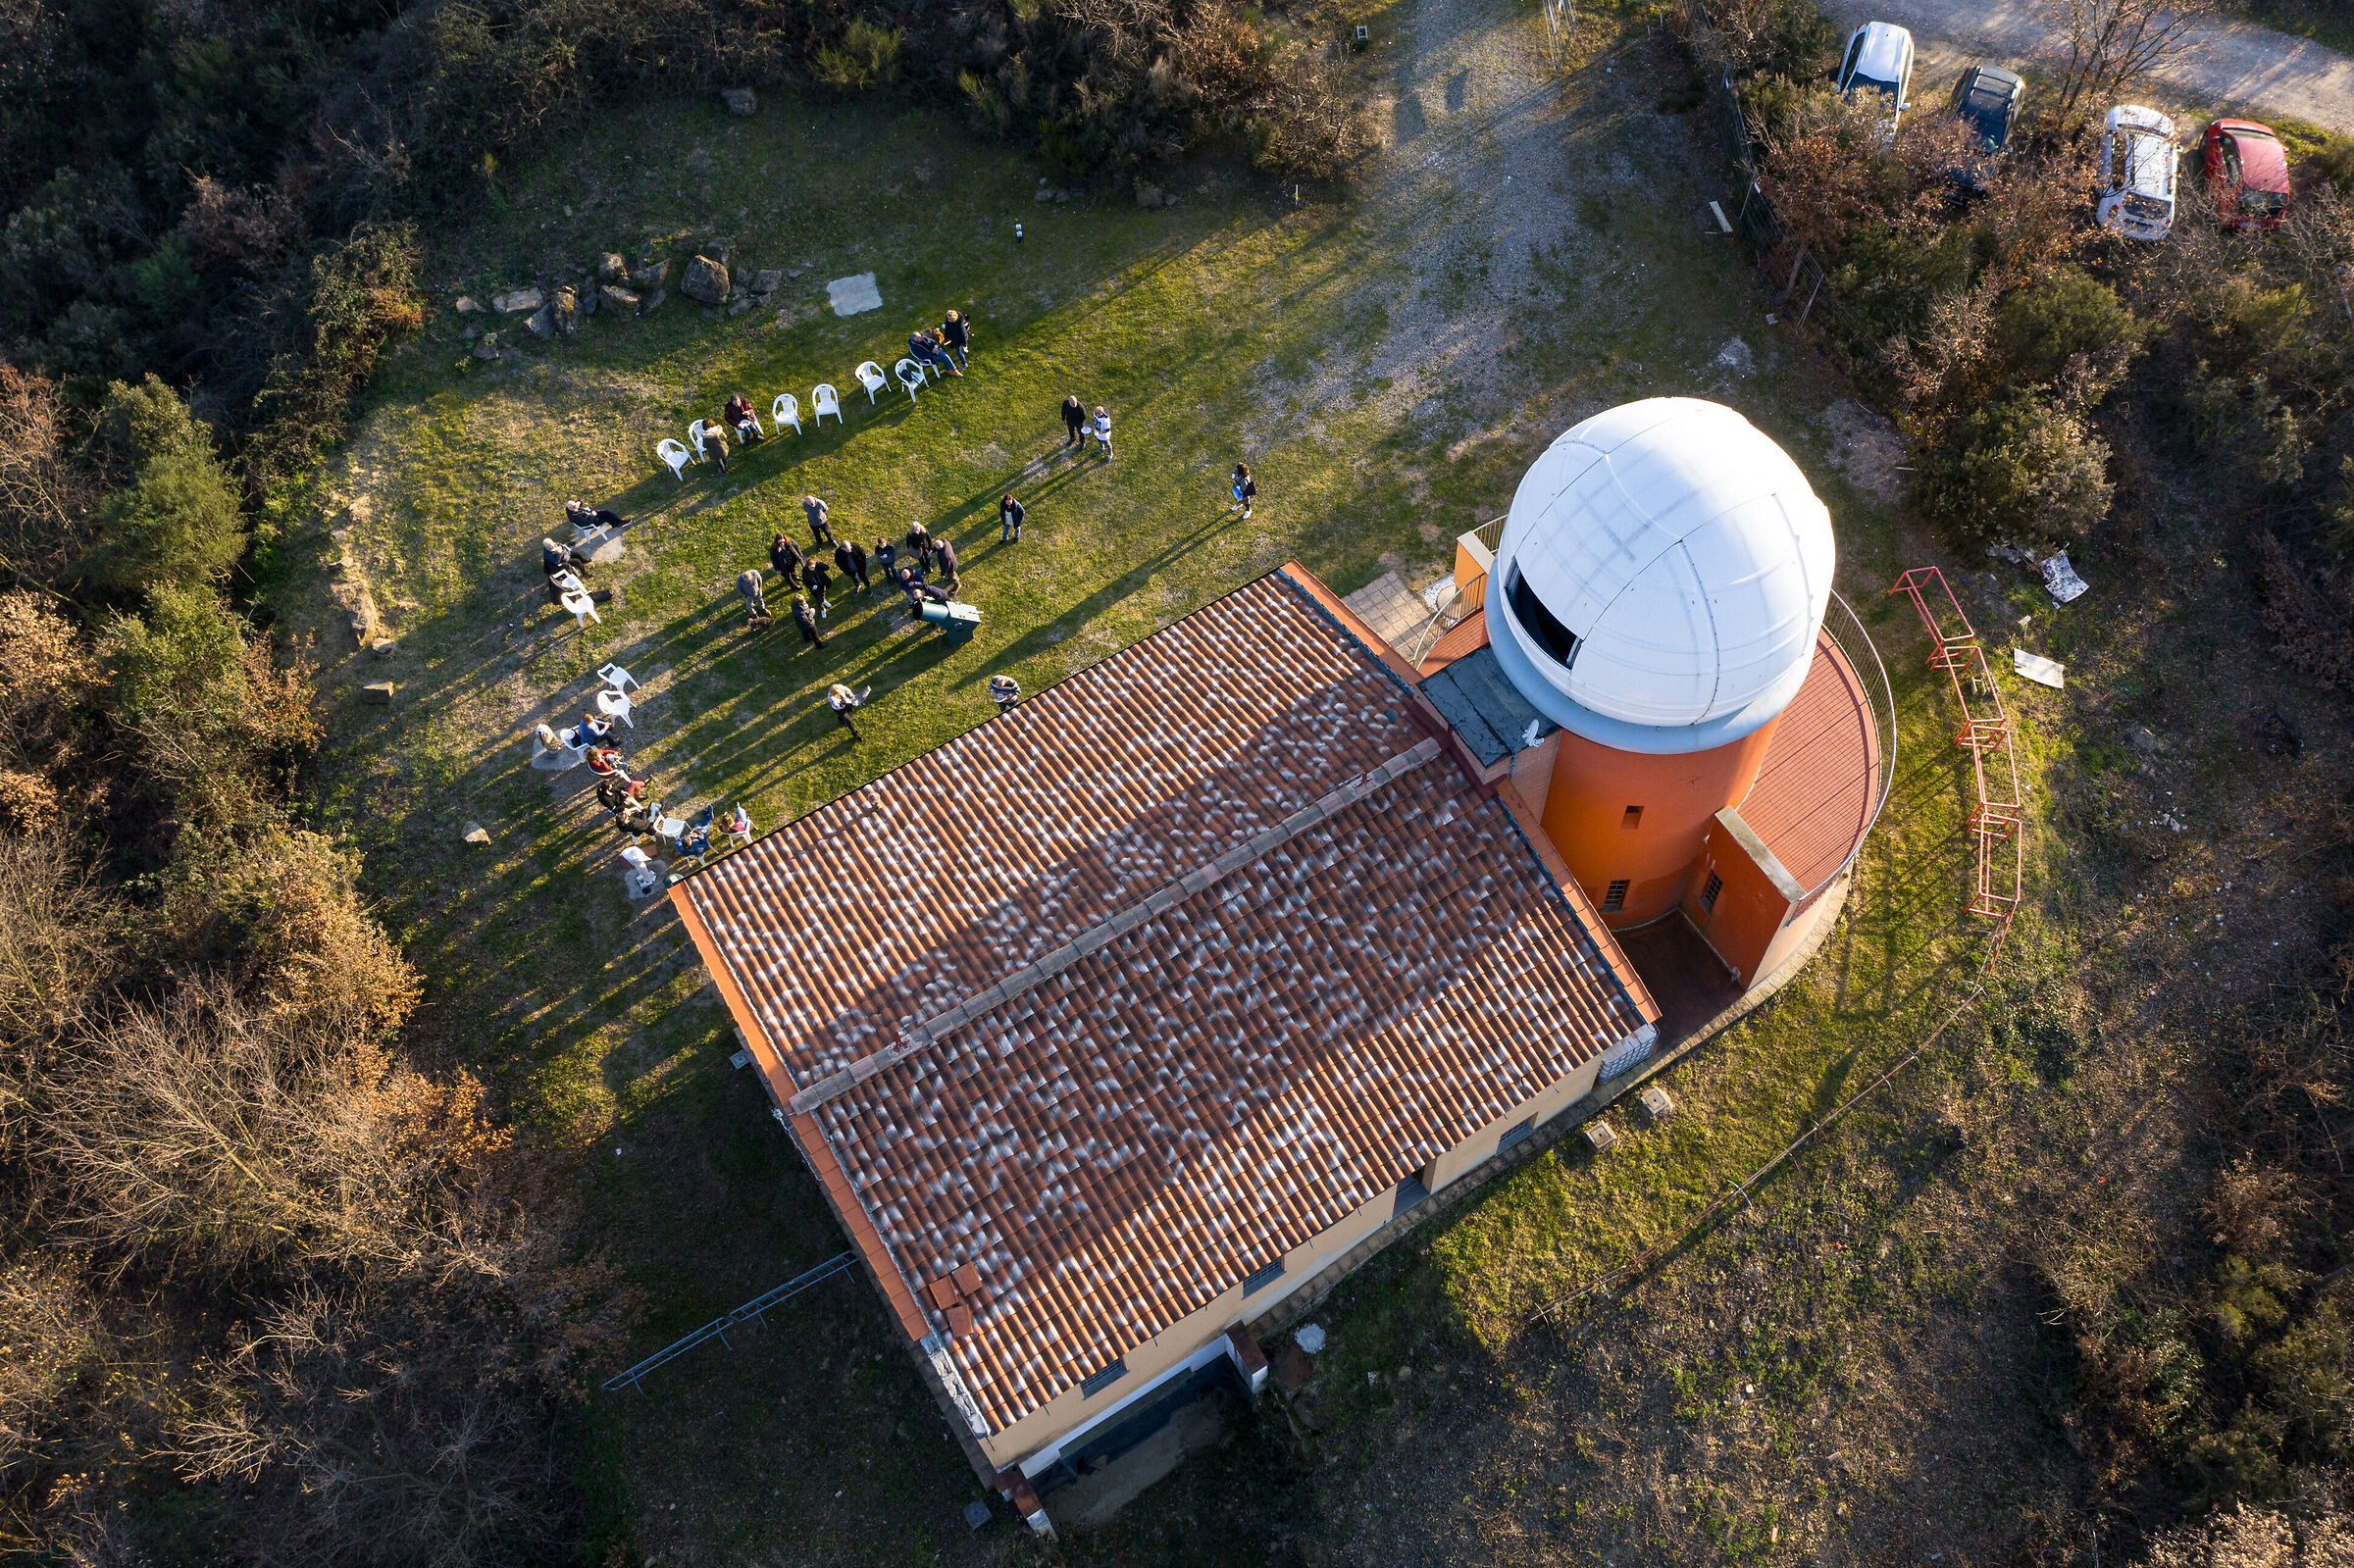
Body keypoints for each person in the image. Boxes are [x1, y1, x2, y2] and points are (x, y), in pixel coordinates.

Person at [565, 499, 631, 532]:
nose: (576, 507)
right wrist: (591, 514)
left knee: (606, 512)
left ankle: (617, 523)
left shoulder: (570, 508)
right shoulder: (574, 516)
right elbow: (586, 522)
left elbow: (581, 500)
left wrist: (578, 502)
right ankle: (618, 523)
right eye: (574, 507)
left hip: (590, 516)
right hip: (590, 523)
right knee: (606, 516)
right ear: (571, 508)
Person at [804, 556, 832, 620]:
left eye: (813, 567)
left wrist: (818, 563)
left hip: (822, 584)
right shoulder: (805, 571)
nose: (812, 569)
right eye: (810, 567)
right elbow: (805, 582)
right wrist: (811, 587)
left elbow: (827, 567)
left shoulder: (818, 567)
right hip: (814, 588)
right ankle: (822, 609)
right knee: (818, 600)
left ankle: (824, 600)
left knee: (823, 593)